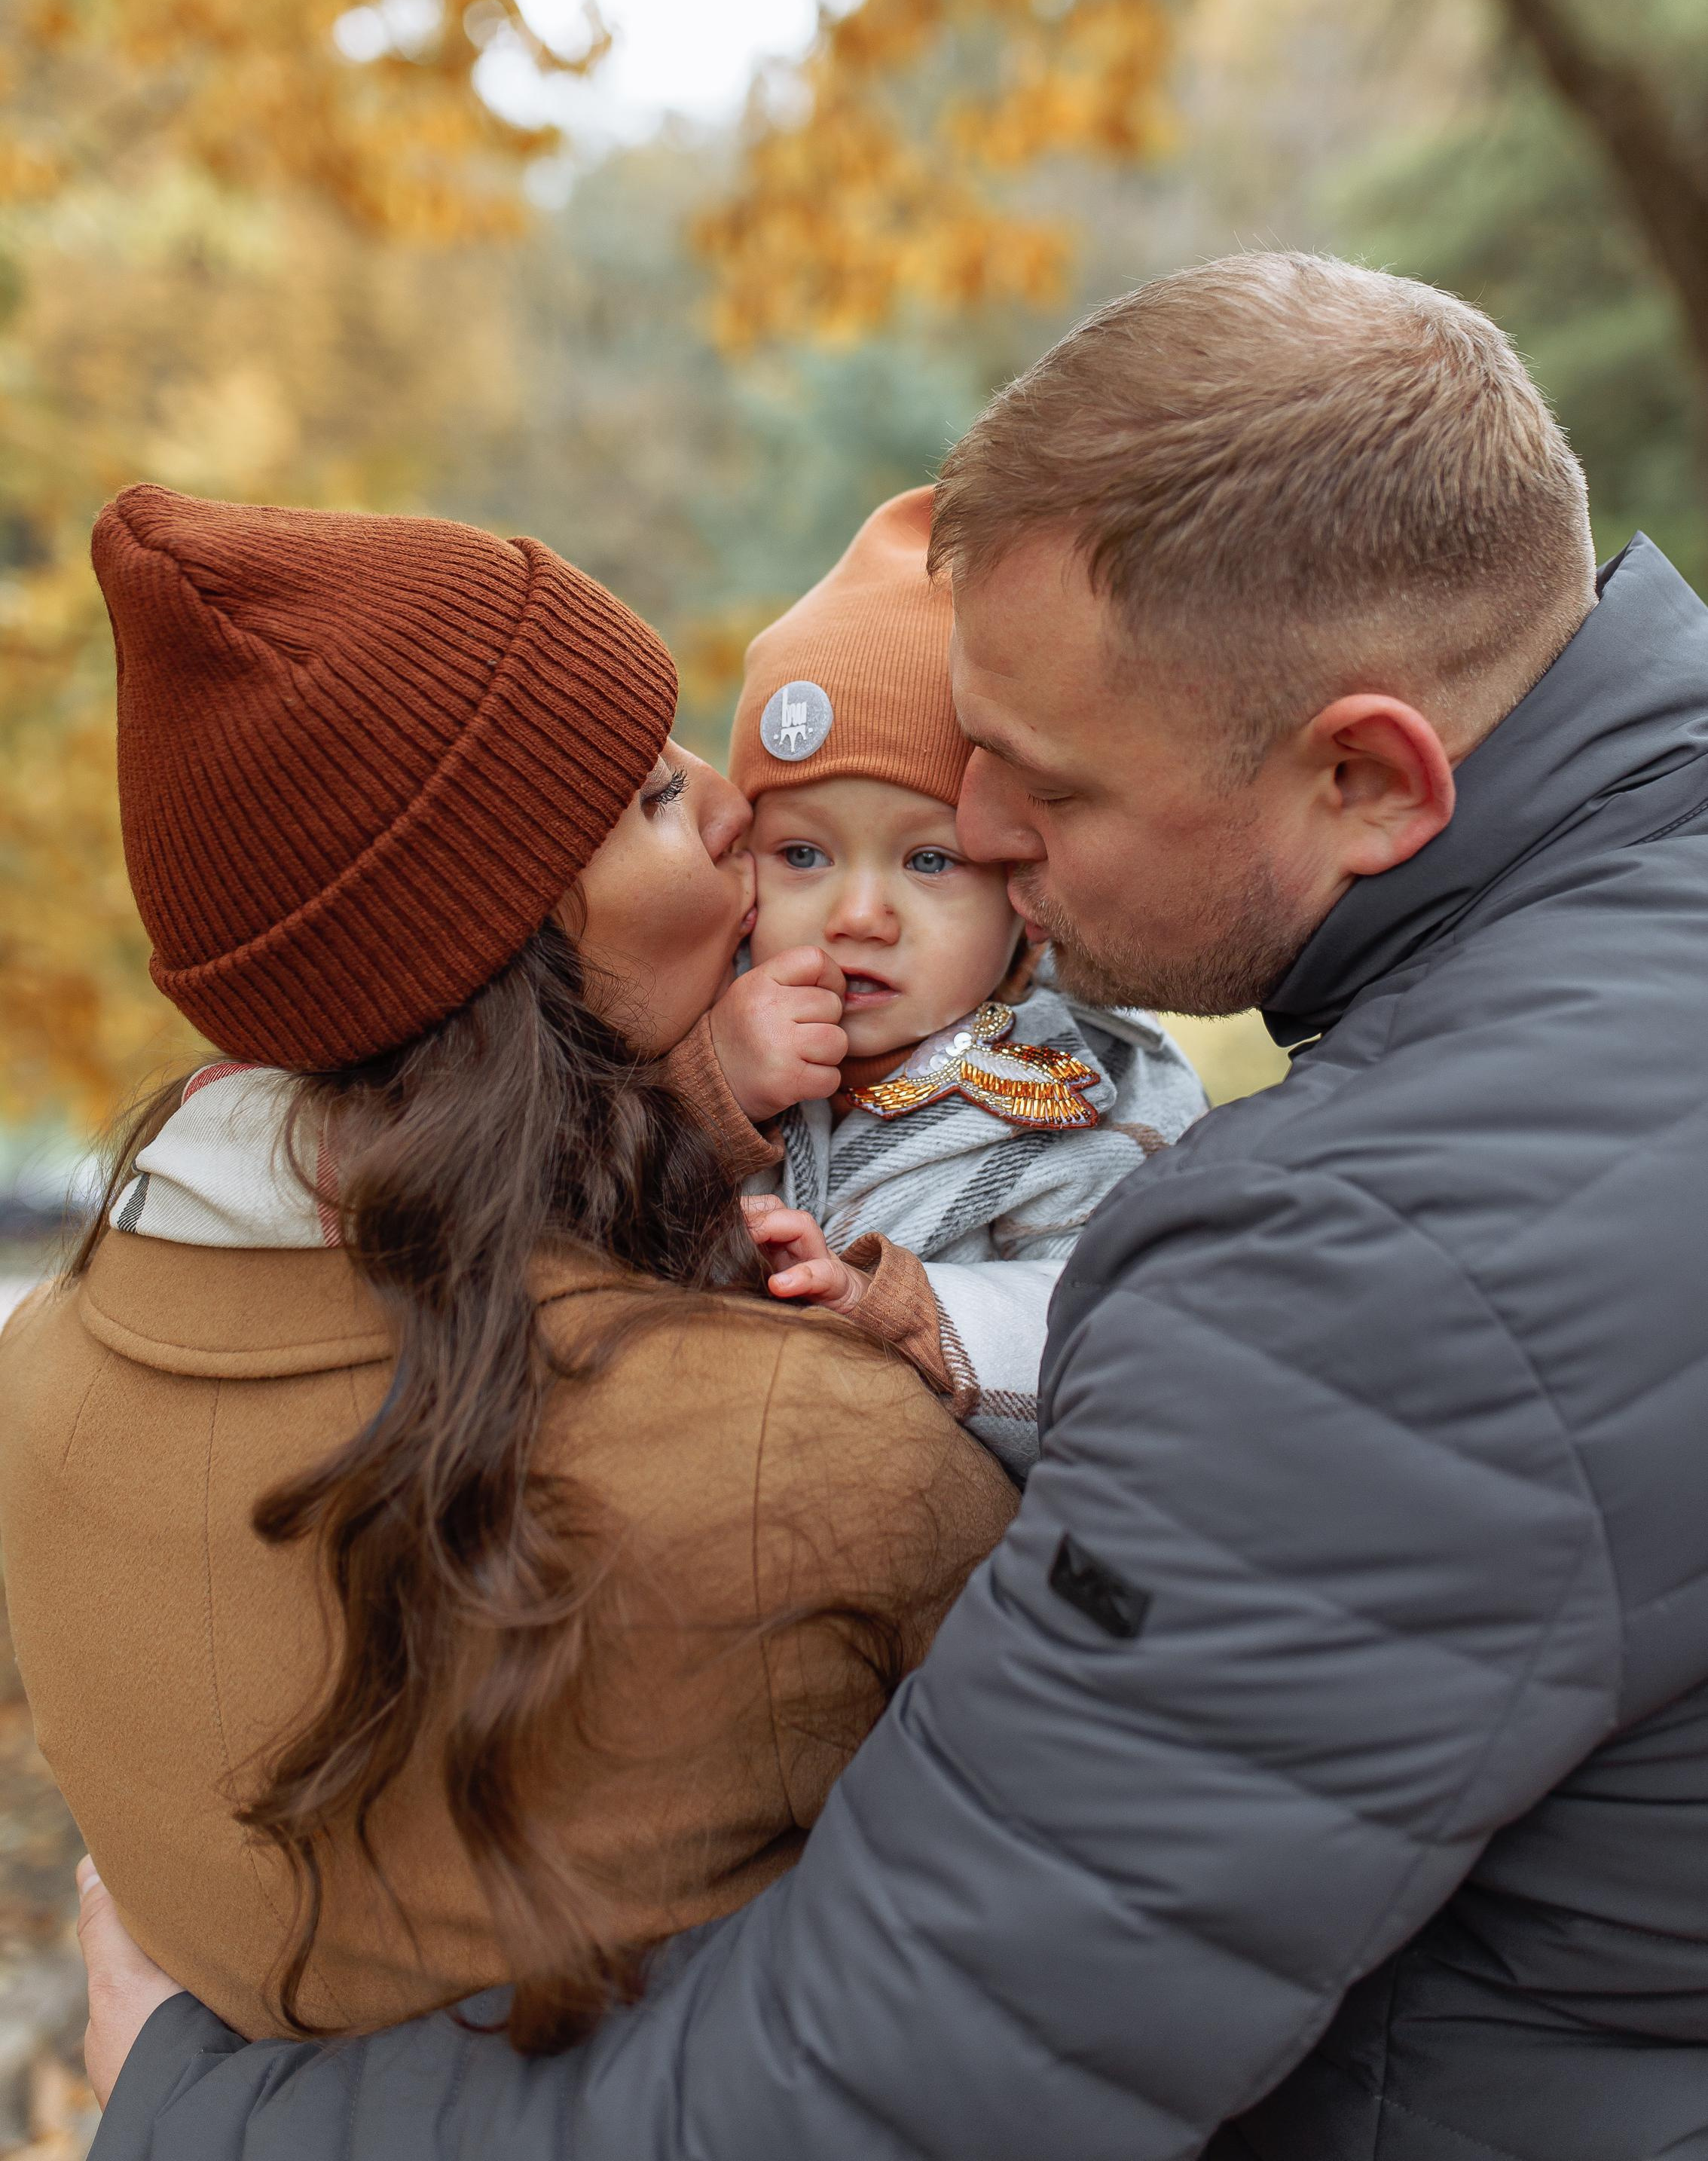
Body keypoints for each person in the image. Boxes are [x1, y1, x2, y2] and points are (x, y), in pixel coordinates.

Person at [79, 253, 1708, 2161]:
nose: (984, 834)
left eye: (1045, 787)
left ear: (1363, 774)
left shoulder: (1373, 1267)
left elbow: (893, 2077)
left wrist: (194, 2111)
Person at [0, 484, 1014, 2052]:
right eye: (657, 798)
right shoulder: (815, 1451)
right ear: (504, 959)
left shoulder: (41, 1372)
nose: (733, 801)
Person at [710, 485, 1205, 1474]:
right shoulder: (692, 1020)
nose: (858, 914)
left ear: (1022, 888)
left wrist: (897, 1308)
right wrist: (712, 1090)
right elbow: (559, 1193)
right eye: (803, 854)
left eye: (929, 861)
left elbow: (1130, 1347)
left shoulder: (1091, 1089)